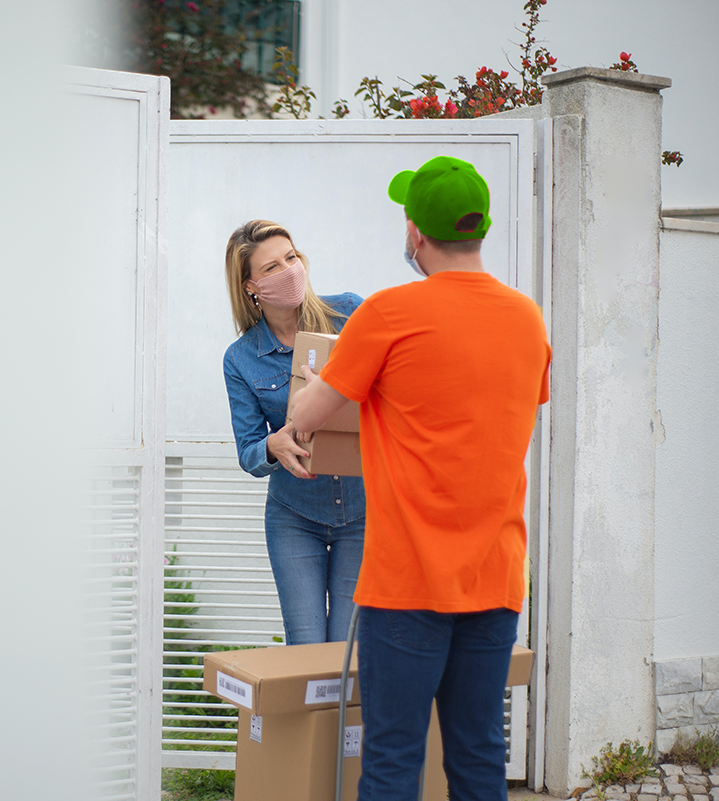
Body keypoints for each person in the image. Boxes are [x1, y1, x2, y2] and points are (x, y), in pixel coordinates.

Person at [289, 157, 551, 801]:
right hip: (495, 576)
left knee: (392, 759)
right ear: (481, 227)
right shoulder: (528, 319)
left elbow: (306, 415)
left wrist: (334, 381)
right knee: (479, 755)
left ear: (414, 233)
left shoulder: (388, 314)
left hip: (406, 581)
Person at [221, 220, 366, 645]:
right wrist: (272, 444)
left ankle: (344, 717)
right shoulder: (241, 358)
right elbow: (248, 450)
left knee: (345, 651)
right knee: (305, 646)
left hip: (362, 512)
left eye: (291, 257)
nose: (290, 269)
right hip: (293, 516)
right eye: (272, 268)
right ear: (250, 287)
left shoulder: (351, 314)